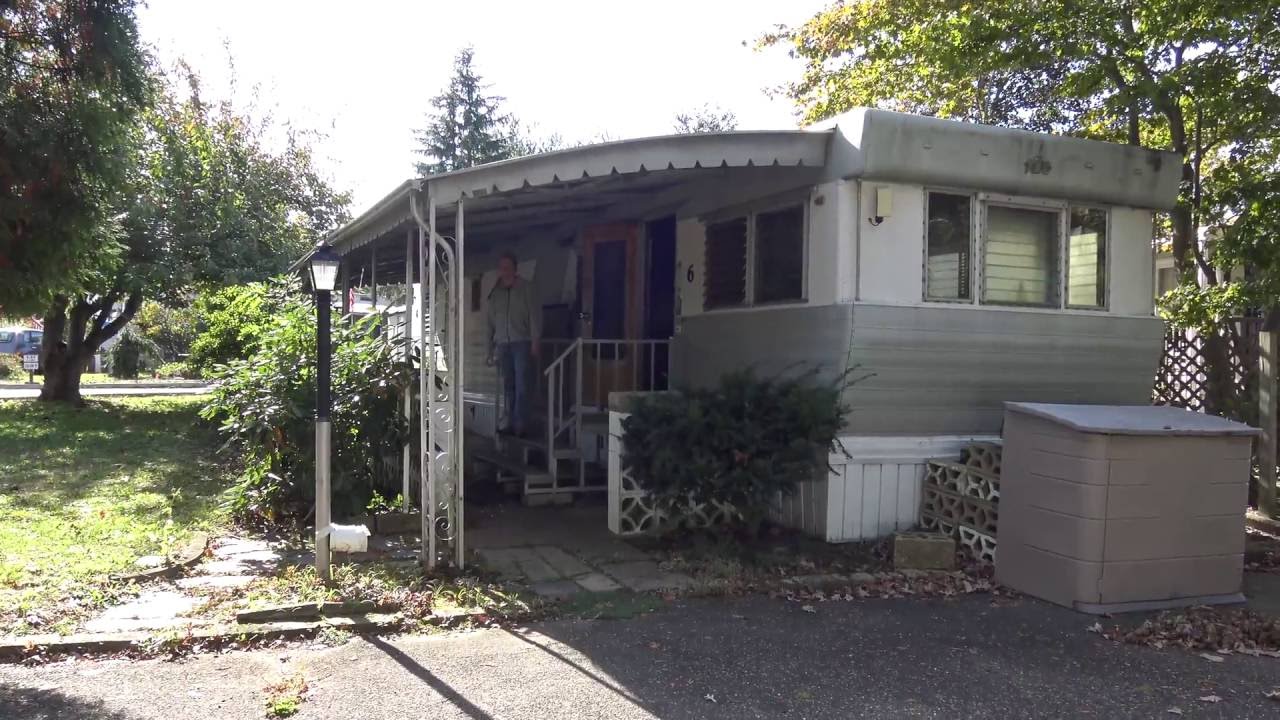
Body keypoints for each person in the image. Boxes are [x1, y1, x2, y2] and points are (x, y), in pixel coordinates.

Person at [486, 251, 541, 437]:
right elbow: (490, 322)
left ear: (515, 269)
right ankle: (509, 421)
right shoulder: (496, 293)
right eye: (502, 268)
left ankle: (520, 424)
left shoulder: (526, 288)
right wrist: (489, 349)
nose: (505, 271)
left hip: (521, 342)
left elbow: (534, 315)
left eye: (508, 267)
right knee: (508, 384)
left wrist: (535, 340)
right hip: (503, 344)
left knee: (523, 384)